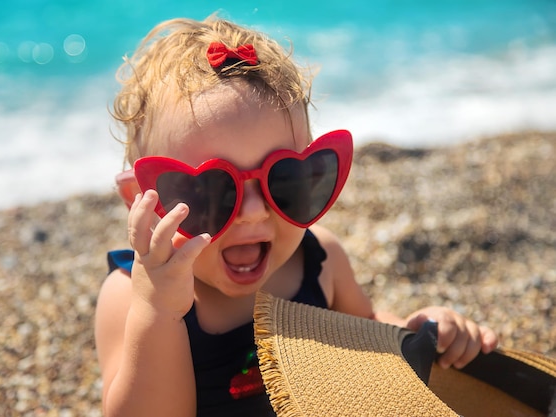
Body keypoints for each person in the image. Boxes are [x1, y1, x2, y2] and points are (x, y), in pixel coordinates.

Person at [94, 15, 499, 417]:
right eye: (211, 192)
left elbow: (369, 334)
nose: (253, 213)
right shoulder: (130, 296)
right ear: (139, 200)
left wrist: (427, 331)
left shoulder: (319, 260)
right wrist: (158, 313)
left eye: (283, 179)